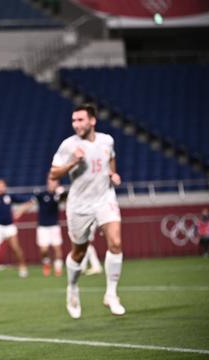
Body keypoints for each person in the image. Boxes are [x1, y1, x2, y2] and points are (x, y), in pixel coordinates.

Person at [49, 103, 126, 319]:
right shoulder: (68, 145)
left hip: (105, 199)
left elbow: (110, 159)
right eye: (74, 120)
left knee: (116, 243)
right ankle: (72, 287)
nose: (76, 124)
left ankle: (111, 294)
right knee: (79, 251)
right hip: (79, 205)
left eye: (80, 120)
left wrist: (113, 174)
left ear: (92, 121)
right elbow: (54, 174)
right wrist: (73, 161)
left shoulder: (107, 140)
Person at [20, 175, 66, 277]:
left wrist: (60, 193)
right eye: (50, 181)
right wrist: (20, 211)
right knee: (43, 250)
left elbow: (65, 199)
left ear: (57, 183)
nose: (52, 183)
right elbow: (31, 203)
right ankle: (46, 264)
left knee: (57, 248)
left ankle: (58, 268)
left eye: (54, 181)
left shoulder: (58, 195)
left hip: (54, 226)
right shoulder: (41, 194)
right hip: (43, 226)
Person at [0, 178, 28, 280]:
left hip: (9, 226)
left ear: (5, 187)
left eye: (2, 186)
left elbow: (24, 200)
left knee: (16, 248)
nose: (0, 188)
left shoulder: (10, 197)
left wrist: (22, 209)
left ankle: (22, 267)